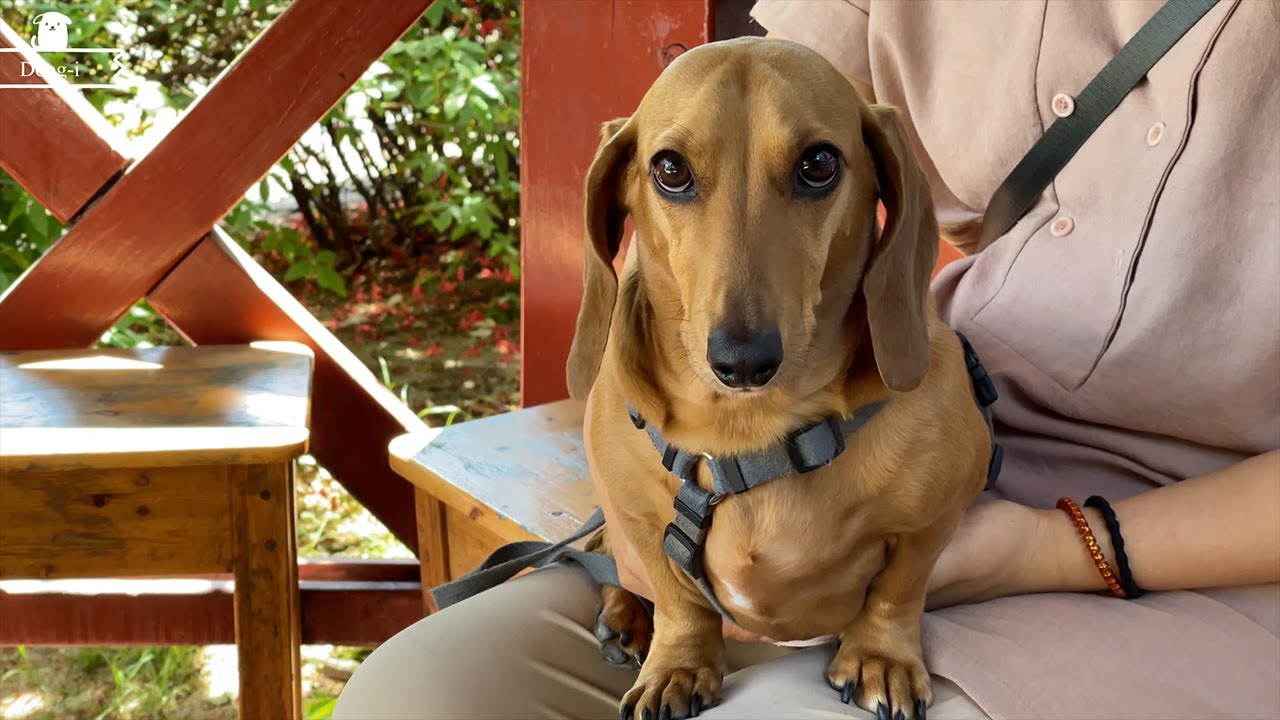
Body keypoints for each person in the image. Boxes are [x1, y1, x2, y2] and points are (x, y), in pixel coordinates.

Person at [334, 1, 1280, 717]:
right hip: (861, 433)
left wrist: (1040, 553)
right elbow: (761, 96)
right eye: (670, 177)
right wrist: (674, 593)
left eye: (817, 172)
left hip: (1183, 536)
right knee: (414, 693)